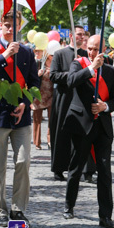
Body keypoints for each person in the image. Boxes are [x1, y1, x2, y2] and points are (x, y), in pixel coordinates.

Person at [0, 10, 40, 227]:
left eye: (15, 24)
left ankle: (18, 209)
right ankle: (0, 210)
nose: (10, 28)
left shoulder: (26, 52)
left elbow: (34, 83)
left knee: (23, 161)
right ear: (0, 25)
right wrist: (5, 56)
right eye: (7, 24)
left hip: (21, 116)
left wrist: (25, 102)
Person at [62, 35, 114, 228]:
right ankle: (69, 205)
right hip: (82, 123)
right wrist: (91, 68)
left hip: (102, 125)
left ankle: (105, 216)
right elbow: (71, 82)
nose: (93, 52)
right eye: (91, 49)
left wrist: (105, 106)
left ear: (103, 50)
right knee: (76, 168)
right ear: (86, 48)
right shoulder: (78, 64)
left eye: (97, 49)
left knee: (105, 172)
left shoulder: (111, 72)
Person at [49, 25, 87, 181]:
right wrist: (72, 76)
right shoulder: (59, 54)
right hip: (64, 97)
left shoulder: (85, 54)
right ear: (71, 35)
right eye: (78, 34)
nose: (81, 37)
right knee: (60, 132)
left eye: (83, 35)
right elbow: (53, 75)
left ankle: (82, 168)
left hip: (81, 97)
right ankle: (58, 168)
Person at [31, 49, 53, 150]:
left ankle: (50, 141)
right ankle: (37, 143)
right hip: (39, 95)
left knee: (52, 119)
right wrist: (37, 74)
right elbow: (31, 76)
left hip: (51, 94)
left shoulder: (56, 64)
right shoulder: (38, 63)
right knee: (37, 119)